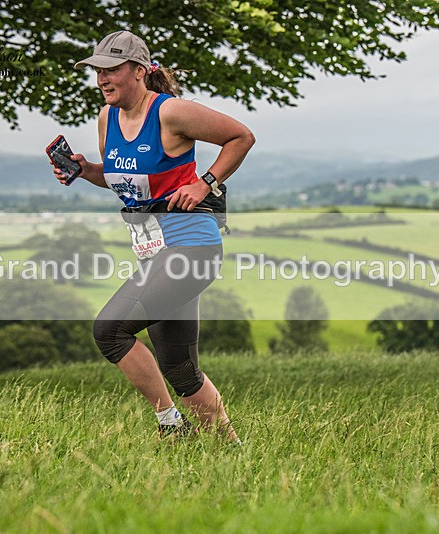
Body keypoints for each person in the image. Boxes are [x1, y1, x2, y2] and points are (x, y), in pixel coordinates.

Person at [53, 30, 255, 441]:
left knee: (109, 330)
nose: (102, 79)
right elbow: (123, 181)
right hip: (156, 251)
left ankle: (171, 426)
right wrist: (84, 169)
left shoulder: (170, 112)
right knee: (180, 368)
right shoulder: (107, 118)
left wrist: (205, 183)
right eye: (97, 71)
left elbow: (241, 136)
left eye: (111, 69)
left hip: (191, 248)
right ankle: (232, 452)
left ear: (140, 71)